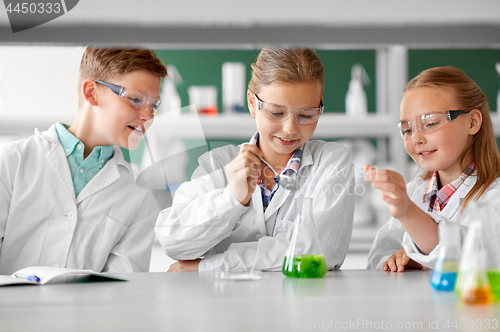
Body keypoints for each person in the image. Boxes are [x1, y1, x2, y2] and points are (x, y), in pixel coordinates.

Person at [155, 47, 354, 272]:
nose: (290, 129)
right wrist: (232, 199)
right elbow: (173, 242)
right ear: (252, 102)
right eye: (276, 113)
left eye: (306, 115)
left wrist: (208, 266)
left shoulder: (332, 162)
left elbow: (317, 251)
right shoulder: (216, 164)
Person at [0, 47, 168, 275]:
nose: (148, 116)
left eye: (154, 105)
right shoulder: (12, 161)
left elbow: (122, 287)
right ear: (91, 92)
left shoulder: (138, 195)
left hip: (86, 312)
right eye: (136, 99)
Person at [365, 66, 500, 272]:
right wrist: (396, 259)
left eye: (430, 123)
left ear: (473, 122)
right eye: (407, 129)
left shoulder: (494, 194)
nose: (416, 139)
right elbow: (378, 257)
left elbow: (483, 253)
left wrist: (410, 215)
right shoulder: (414, 191)